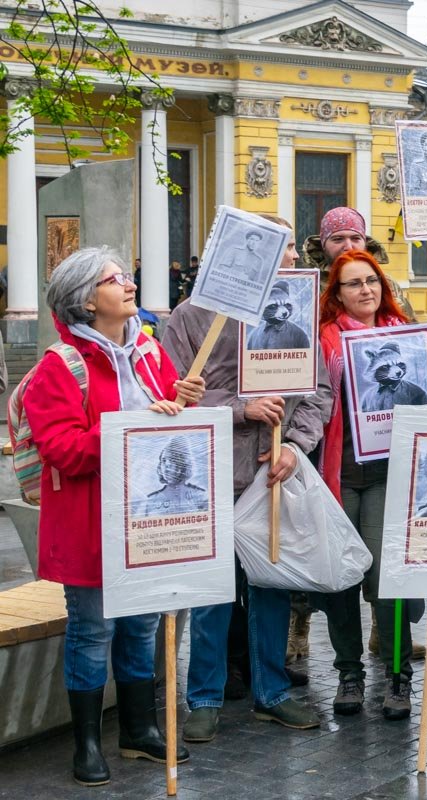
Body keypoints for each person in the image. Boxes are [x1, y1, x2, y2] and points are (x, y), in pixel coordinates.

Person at [24, 246, 203, 786]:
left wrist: (184, 400)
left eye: (126, 275)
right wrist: (130, 426)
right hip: (88, 524)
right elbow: (64, 450)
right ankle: (85, 743)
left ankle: (138, 729)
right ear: (85, 300)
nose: (129, 285)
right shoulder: (60, 366)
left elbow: (175, 431)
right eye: (115, 279)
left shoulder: (148, 351)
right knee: (91, 630)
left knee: (141, 626)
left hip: (146, 521)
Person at [166, 215, 332, 743]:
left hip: (270, 475)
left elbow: (318, 395)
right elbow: (175, 396)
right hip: (212, 472)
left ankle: (273, 692)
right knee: (212, 592)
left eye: (287, 252)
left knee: (272, 588)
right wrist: (242, 408)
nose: (285, 261)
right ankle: (204, 698)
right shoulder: (190, 317)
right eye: (273, 250)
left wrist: (296, 446)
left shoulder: (298, 314)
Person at [315, 248, 425, 719]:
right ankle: (349, 673)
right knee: (341, 577)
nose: (365, 290)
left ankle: (398, 673)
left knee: (385, 577)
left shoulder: (407, 338)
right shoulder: (324, 341)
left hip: (386, 473)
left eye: (371, 281)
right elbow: (313, 402)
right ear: (336, 293)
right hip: (337, 474)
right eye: (354, 283)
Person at [302, 206, 416, 320]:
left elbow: (411, 329)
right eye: (338, 239)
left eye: (355, 238)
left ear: (365, 243)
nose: (348, 247)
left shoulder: (388, 285)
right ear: (323, 245)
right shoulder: (307, 288)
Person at [131, 437, 208, 516]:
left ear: (183, 464)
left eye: (172, 460)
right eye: (164, 460)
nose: (167, 465)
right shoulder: (150, 502)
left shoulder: (200, 496)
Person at [358, 342, 427, 410]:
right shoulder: (369, 396)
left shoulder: (415, 392)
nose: (398, 371)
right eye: (386, 366)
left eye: (399, 365)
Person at [246, 280, 311, 350]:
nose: (284, 311)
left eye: (286, 305)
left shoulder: (298, 334)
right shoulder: (255, 335)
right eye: (274, 306)